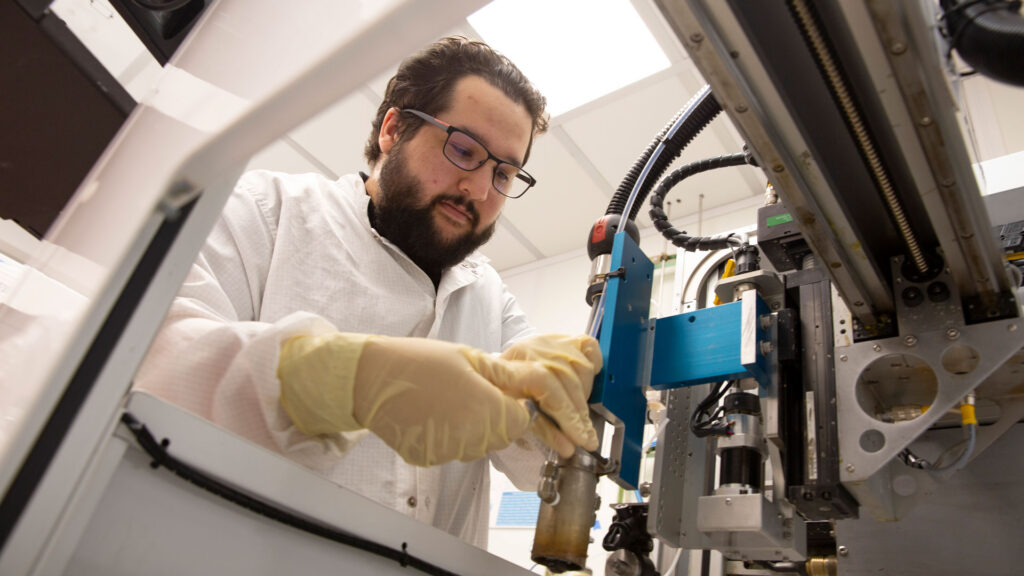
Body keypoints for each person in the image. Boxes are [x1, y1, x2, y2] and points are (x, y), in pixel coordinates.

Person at [134, 36, 602, 548]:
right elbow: (151, 359)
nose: (480, 190)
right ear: (393, 129)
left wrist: (557, 399)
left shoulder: (489, 294)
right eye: (464, 150)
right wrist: (337, 380)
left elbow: (537, 461)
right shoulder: (268, 211)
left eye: (504, 173)